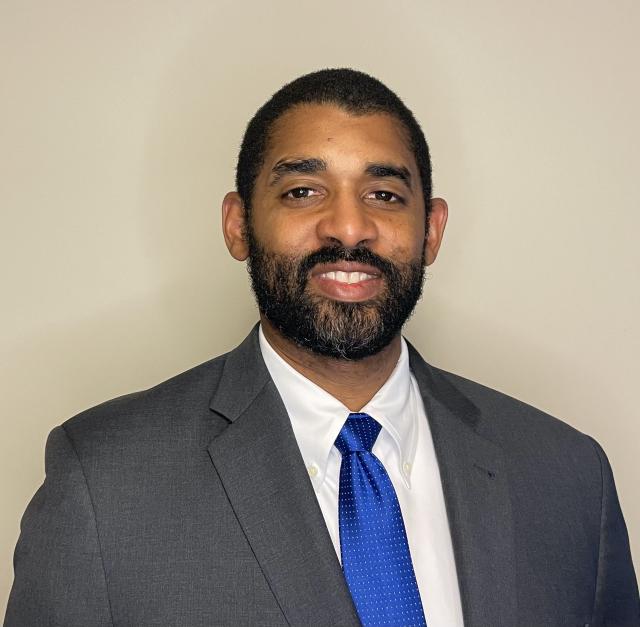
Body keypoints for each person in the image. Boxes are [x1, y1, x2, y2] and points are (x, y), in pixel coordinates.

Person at [5, 68, 638, 627]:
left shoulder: (567, 475)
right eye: (303, 191)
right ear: (237, 224)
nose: (349, 226)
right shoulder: (104, 480)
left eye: (384, 195)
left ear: (433, 231)